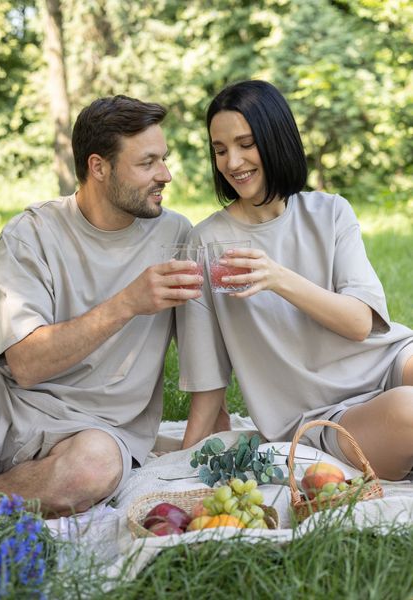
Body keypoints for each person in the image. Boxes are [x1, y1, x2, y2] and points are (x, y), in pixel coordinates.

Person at [0, 94, 206, 516]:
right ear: (99, 167)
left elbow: (206, 359)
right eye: (147, 163)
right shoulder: (31, 233)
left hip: (96, 431)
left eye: (163, 160)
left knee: (94, 469)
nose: (165, 174)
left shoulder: (177, 237)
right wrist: (127, 303)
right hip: (5, 408)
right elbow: (23, 365)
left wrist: (198, 447)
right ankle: (22, 482)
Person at [178, 80, 413, 481]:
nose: (232, 162)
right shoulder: (205, 244)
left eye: (245, 144)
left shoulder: (331, 212)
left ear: (275, 139)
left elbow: (361, 323)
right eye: (220, 150)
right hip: (320, 415)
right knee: (409, 411)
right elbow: (207, 377)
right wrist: (182, 461)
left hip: (387, 362)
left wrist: (278, 277)